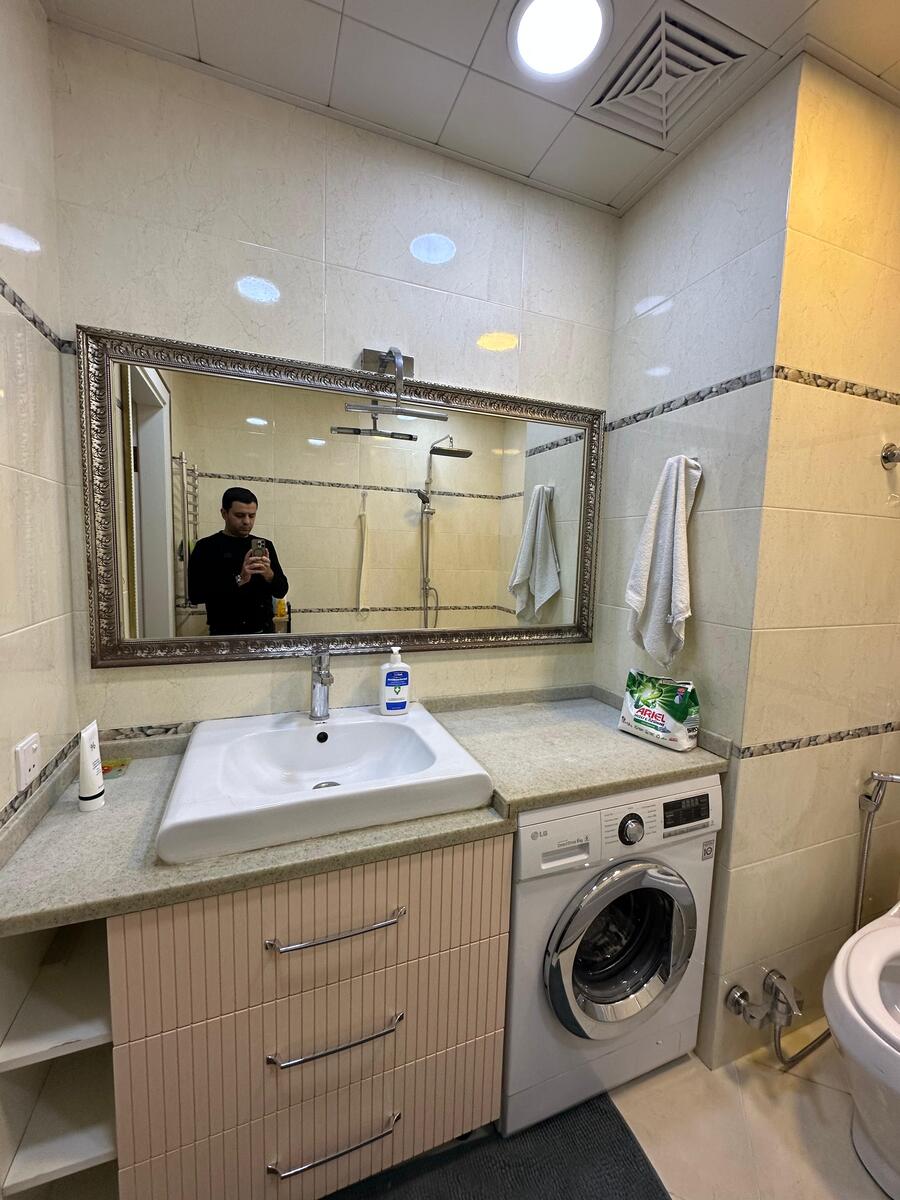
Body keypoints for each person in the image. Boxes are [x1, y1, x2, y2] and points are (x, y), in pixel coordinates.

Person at [188, 487, 288, 635]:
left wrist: (269, 575)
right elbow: (196, 595)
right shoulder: (206, 547)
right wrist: (239, 579)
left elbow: (281, 590)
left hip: (264, 632)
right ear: (224, 513)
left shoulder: (265, 546)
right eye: (240, 515)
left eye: (252, 516)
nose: (247, 521)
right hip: (225, 634)